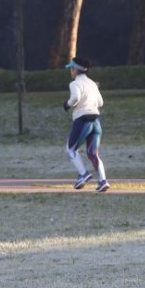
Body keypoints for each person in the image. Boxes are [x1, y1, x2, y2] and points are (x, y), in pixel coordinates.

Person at [62, 57, 109, 192]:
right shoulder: (93, 84)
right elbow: (100, 102)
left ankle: (83, 174)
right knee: (93, 153)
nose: (70, 71)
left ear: (76, 70)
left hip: (82, 120)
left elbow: (75, 98)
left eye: (72, 68)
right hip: (96, 121)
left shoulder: (75, 84)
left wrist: (67, 104)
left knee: (70, 149)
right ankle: (103, 181)